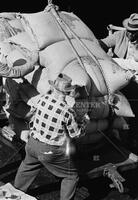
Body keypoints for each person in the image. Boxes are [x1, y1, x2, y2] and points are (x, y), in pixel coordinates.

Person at [14, 73, 87, 200]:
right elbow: (76, 134)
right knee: (71, 176)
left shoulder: (42, 99)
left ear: (53, 88)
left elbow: (33, 116)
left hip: (32, 144)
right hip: (49, 151)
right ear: (68, 93)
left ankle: (14, 194)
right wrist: (84, 121)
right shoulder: (67, 111)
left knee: (28, 166)